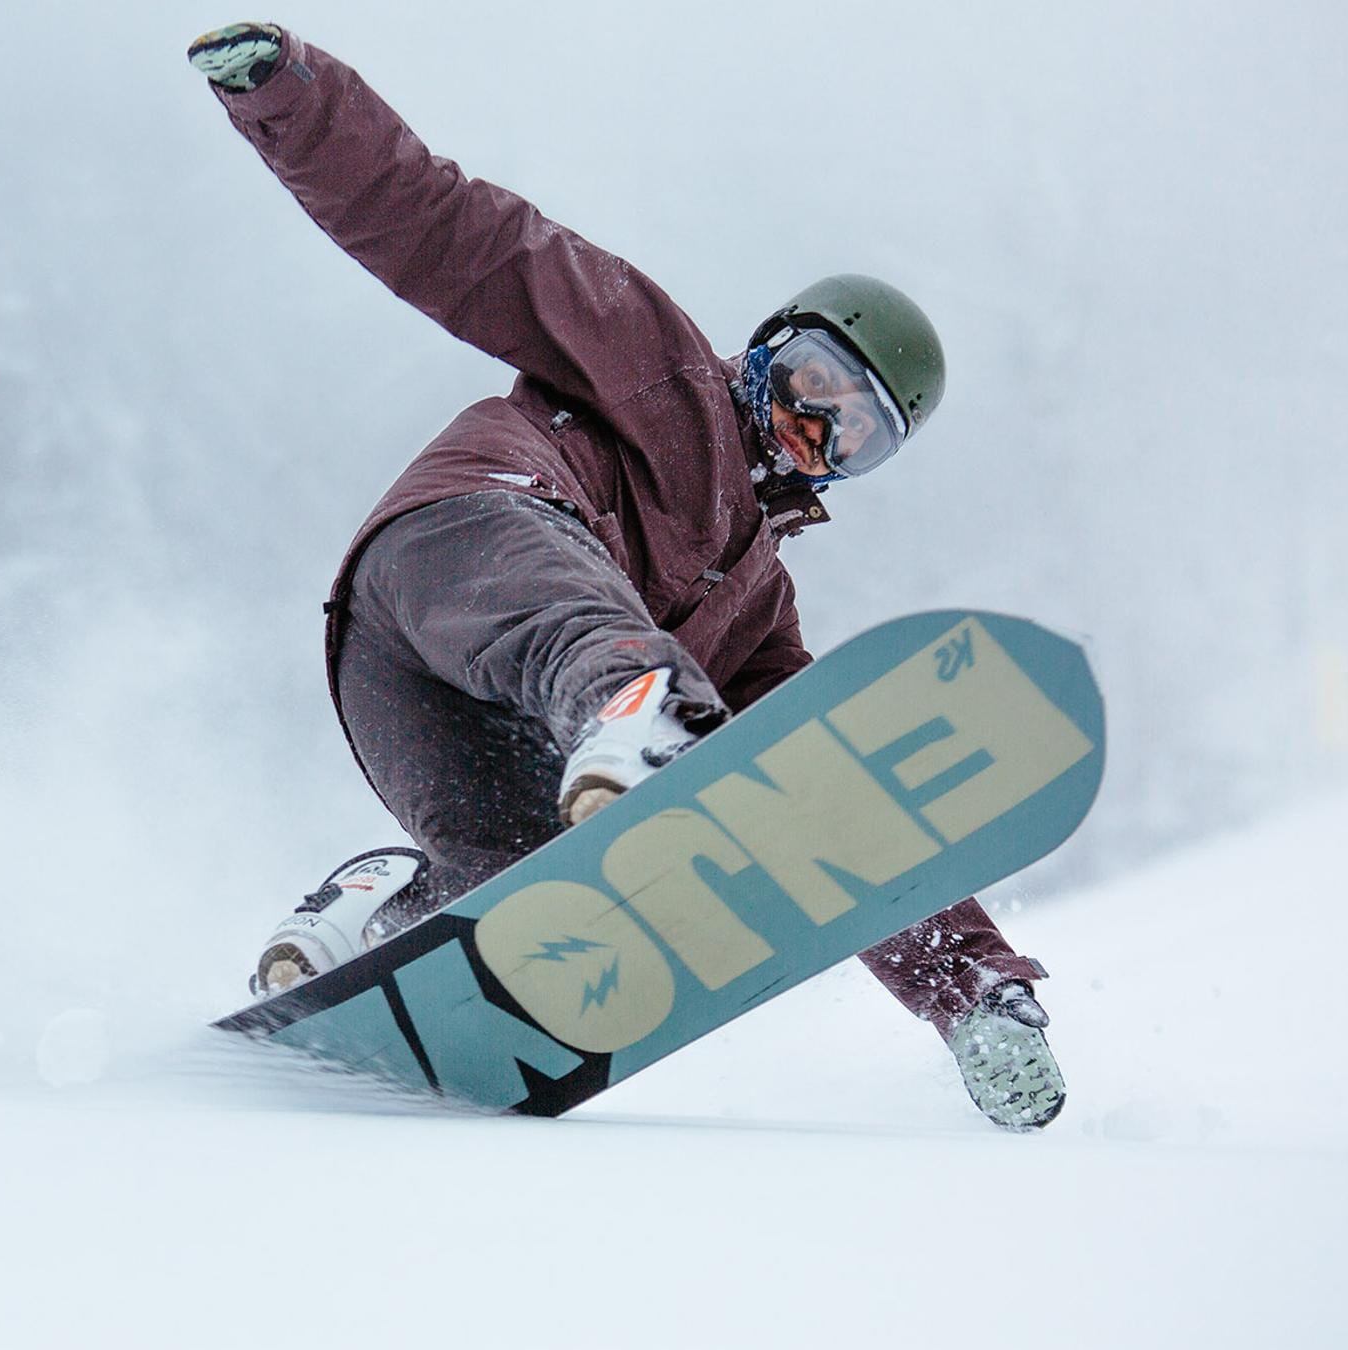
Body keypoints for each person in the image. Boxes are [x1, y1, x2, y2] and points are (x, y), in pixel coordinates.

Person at [188, 24, 1064, 1129]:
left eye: (851, 434)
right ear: (763, 347)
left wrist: (971, 992)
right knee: (613, 651)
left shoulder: (756, 616)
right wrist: (291, 99)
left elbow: (834, 814)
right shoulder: (649, 356)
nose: (811, 426)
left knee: (526, 890)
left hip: (407, 699)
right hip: (469, 541)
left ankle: (373, 916)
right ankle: (636, 711)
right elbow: (456, 234)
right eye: (812, 380)